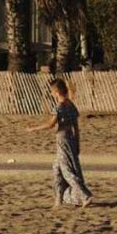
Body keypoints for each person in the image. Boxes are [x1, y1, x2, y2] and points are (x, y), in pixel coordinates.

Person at [42, 77, 91, 207]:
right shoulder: (71, 105)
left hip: (62, 139)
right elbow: (76, 126)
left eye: (52, 91)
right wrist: (78, 143)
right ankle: (58, 199)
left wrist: (33, 128)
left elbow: (50, 125)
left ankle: (84, 194)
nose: (51, 94)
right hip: (71, 138)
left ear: (57, 92)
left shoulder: (59, 107)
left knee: (66, 170)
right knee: (56, 168)